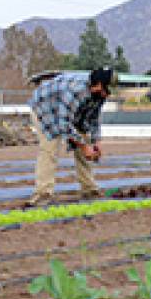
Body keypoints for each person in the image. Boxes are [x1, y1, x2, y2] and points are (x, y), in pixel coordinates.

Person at [26, 67, 113, 206]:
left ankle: (89, 189)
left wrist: (96, 142)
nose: (108, 94)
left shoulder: (99, 94)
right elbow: (64, 125)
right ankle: (42, 193)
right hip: (45, 109)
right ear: (97, 85)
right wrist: (84, 147)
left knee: (85, 143)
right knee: (50, 149)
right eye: (106, 89)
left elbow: (94, 118)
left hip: (70, 113)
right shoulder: (74, 91)